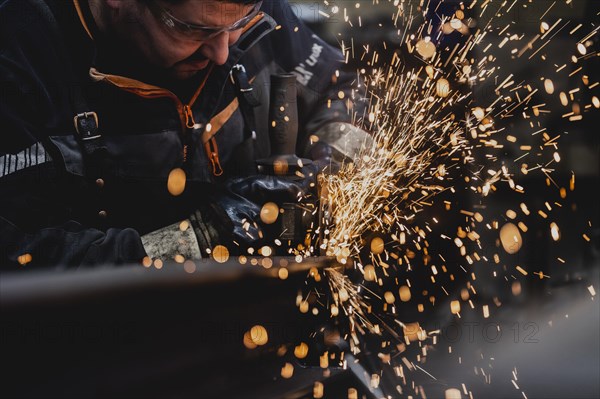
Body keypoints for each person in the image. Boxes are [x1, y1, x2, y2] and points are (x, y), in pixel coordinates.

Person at [0, 0, 370, 269]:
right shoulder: (19, 54)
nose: (223, 53)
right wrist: (198, 238)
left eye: (240, 23)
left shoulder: (253, 11)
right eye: (194, 30)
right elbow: (18, 258)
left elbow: (340, 89)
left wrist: (334, 171)